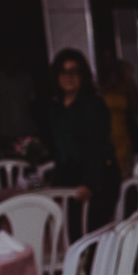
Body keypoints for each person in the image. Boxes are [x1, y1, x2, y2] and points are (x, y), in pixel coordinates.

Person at [37, 49, 120, 230]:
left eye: (74, 71)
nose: (69, 76)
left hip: (96, 178)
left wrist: (89, 183)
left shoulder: (93, 105)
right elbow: (58, 151)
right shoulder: (54, 108)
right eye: (64, 72)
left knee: (88, 233)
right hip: (67, 177)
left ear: (83, 75)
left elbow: (98, 147)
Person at [0, 47, 36, 149]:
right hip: (5, 132)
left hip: (25, 129)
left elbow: (32, 103)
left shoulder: (26, 78)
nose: (14, 59)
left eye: (17, 56)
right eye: (11, 56)